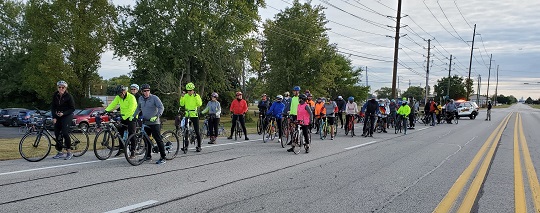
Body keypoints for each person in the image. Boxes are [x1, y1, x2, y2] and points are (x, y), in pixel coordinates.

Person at [132, 84, 167, 164]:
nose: (147, 92)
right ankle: (148, 156)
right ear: (142, 92)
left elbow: (161, 107)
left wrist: (157, 116)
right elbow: (138, 108)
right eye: (145, 91)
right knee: (147, 140)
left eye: (148, 90)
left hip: (154, 122)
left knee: (157, 139)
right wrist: (133, 116)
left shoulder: (154, 98)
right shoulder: (140, 98)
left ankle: (163, 157)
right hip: (146, 122)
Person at [105, 85, 138, 157]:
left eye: (120, 94)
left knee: (131, 133)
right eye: (118, 94)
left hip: (132, 117)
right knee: (120, 132)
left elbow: (131, 109)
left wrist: (123, 117)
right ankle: (121, 149)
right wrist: (106, 110)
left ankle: (133, 150)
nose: (119, 96)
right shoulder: (118, 97)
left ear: (124, 91)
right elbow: (113, 103)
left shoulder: (131, 97)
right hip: (124, 117)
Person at [51, 80, 76, 160]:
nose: (61, 88)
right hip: (58, 115)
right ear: (57, 88)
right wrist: (54, 117)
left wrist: (64, 113)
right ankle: (60, 152)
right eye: (59, 87)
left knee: (65, 133)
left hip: (67, 115)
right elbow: (53, 107)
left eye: (63, 87)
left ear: (65, 88)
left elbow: (72, 108)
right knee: (57, 134)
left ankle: (69, 152)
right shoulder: (55, 95)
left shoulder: (69, 96)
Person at [179, 82, 203, 151]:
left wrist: (195, 97)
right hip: (187, 115)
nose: (190, 92)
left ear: (193, 90)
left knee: (197, 131)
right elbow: (181, 104)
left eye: (191, 90)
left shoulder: (196, 96)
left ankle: (199, 146)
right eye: (188, 91)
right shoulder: (185, 96)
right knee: (186, 131)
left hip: (194, 115)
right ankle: (186, 146)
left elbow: (199, 104)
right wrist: (182, 96)